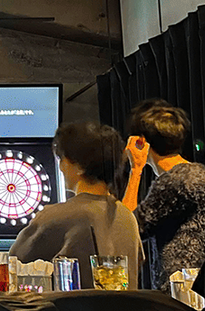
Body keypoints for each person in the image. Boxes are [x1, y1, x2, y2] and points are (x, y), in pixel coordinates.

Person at [10, 122, 141, 289]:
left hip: (74, 306)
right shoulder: (127, 216)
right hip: (126, 307)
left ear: (79, 166)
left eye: (62, 160)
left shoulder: (57, 216)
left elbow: (14, 261)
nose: (60, 167)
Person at [122, 100, 205, 289]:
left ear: (141, 142)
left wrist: (136, 169)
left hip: (180, 290)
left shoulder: (174, 181)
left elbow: (127, 229)